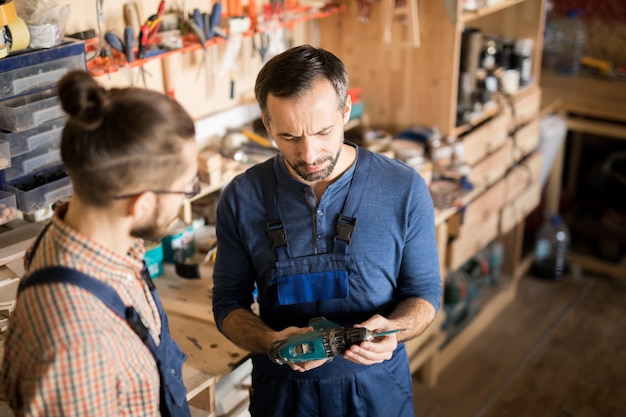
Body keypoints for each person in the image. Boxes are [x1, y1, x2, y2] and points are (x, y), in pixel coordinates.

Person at [212, 45, 442, 417]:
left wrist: (395, 330)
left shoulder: (403, 188)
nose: (309, 154)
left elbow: (424, 292)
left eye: (323, 131)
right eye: (289, 137)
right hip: (283, 397)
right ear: (267, 124)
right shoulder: (242, 197)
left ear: (347, 109)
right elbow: (227, 304)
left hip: (377, 393)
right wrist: (271, 341)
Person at [1, 70, 199, 417]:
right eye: (185, 187)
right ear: (141, 203)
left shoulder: (104, 244)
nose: (187, 194)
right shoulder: (74, 349)